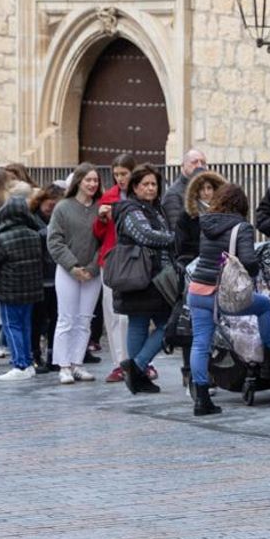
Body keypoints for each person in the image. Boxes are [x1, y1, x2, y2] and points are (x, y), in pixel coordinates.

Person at [188, 184, 270, 417]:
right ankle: (269, 361)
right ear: (242, 205)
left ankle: (201, 399)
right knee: (264, 306)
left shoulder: (206, 224)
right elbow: (249, 261)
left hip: (197, 290)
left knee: (200, 343)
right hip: (223, 294)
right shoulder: (242, 227)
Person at [109, 165, 173, 394]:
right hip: (143, 276)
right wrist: (173, 238)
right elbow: (145, 235)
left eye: (154, 184)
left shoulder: (156, 209)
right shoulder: (132, 210)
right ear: (135, 187)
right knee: (162, 324)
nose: (150, 188)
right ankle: (138, 368)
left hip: (152, 278)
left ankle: (136, 373)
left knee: (147, 323)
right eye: (145, 184)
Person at [47, 164, 104, 385]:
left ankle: (77, 363)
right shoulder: (63, 208)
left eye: (95, 180)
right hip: (68, 271)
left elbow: (104, 241)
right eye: (88, 180)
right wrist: (72, 266)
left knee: (85, 319)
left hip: (92, 272)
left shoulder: (101, 208)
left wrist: (91, 268)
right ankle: (63, 365)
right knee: (66, 318)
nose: (92, 184)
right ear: (79, 181)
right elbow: (55, 240)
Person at [0, 198, 45, 382]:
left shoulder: (1, 239)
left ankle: (20, 364)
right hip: (32, 289)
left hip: (9, 290)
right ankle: (27, 361)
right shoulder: (35, 235)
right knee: (25, 326)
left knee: (11, 326)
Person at [92, 155, 136, 380]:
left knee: (133, 314)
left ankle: (136, 360)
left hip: (135, 259)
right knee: (112, 313)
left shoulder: (140, 195)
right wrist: (101, 220)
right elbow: (99, 234)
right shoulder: (108, 197)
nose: (120, 179)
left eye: (124, 174)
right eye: (116, 174)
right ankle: (120, 361)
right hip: (111, 260)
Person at [28, 184, 64, 374]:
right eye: (50, 204)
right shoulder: (32, 219)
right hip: (38, 276)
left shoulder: (61, 219)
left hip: (57, 274)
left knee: (56, 318)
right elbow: (32, 239)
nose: (52, 209)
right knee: (37, 318)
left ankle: (53, 354)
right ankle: (34, 354)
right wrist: (50, 230)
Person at [163, 149, 209, 262]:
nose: (199, 166)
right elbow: (176, 232)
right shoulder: (174, 194)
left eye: (203, 162)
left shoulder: (208, 192)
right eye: (194, 162)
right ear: (183, 166)